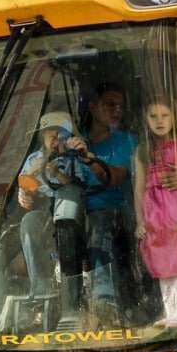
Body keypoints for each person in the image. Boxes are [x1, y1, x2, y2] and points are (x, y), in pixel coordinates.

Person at [65, 82, 138, 326]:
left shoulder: (126, 142)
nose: (117, 110)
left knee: (98, 223)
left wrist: (89, 159)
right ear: (93, 107)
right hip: (76, 213)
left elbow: (114, 177)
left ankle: (104, 301)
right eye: (110, 104)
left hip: (116, 213)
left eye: (120, 106)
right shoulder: (74, 143)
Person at [133, 99, 177, 328]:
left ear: (174, 118)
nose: (159, 121)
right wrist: (140, 220)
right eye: (153, 116)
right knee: (162, 262)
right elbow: (139, 189)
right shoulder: (143, 151)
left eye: (164, 115)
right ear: (145, 120)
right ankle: (170, 312)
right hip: (155, 213)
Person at [17, 111, 80, 298]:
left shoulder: (74, 158)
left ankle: (71, 290)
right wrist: (32, 174)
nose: (56, 141)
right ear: (42, 136)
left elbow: (79, 186)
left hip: (73, 209)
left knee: (66, 227)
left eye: (61, 136)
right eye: (52, 136)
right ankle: (41, 289)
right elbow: (26, 194)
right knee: (29, 223)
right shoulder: (33, 159)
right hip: (44, 209)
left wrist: (57, 173)